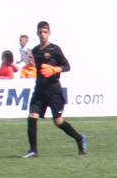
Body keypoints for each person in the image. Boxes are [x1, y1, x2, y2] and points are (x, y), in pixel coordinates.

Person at [23, 21, 88, 158]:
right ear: (37, 33)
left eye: (45, 32)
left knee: (58, 121)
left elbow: (67, 66)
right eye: (40, 32)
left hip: (53, 89)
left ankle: (79, 138)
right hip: (39, 88)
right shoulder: (35, 51)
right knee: (32, 117)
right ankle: (33, 150)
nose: (42, 34)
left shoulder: (55, 50)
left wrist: (54, 69)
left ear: (49, 33)